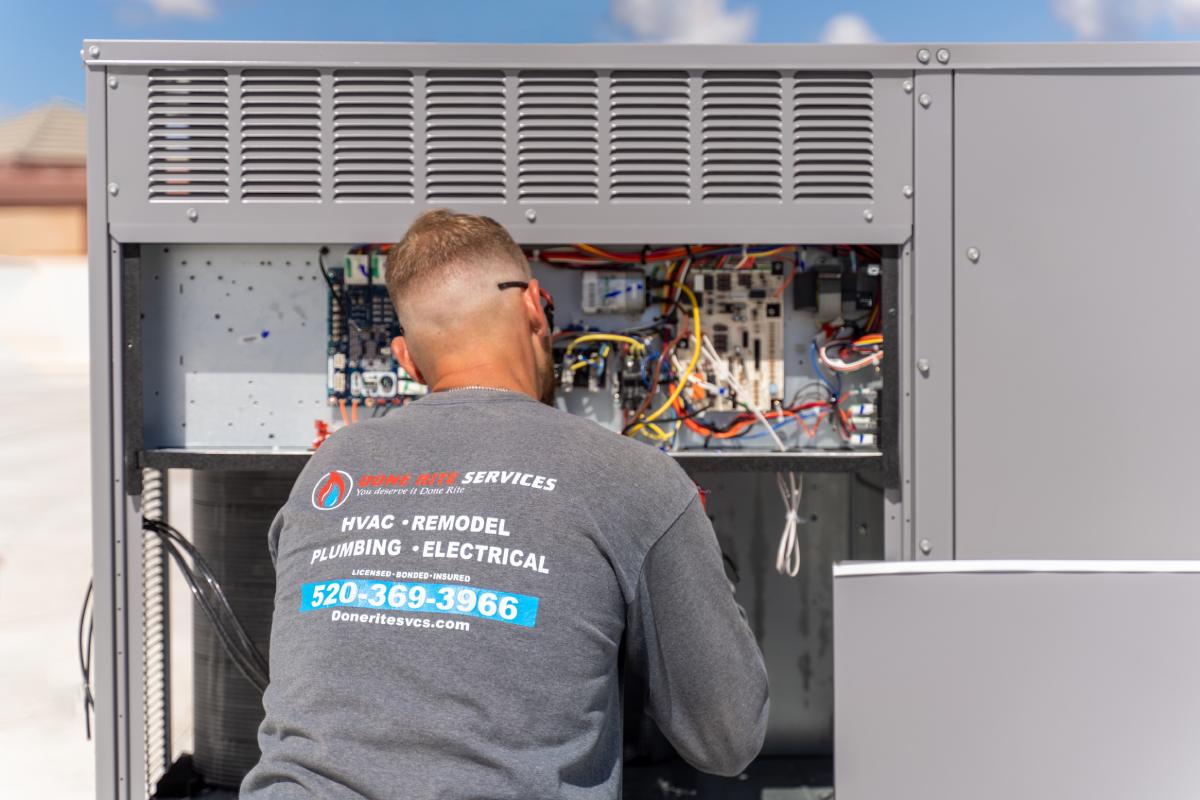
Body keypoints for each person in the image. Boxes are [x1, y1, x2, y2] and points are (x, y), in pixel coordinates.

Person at [241, 210, 768, 799]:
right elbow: (726, 738)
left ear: (406, 360)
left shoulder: (325, 471)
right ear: (536, 308)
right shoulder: (633, 479)